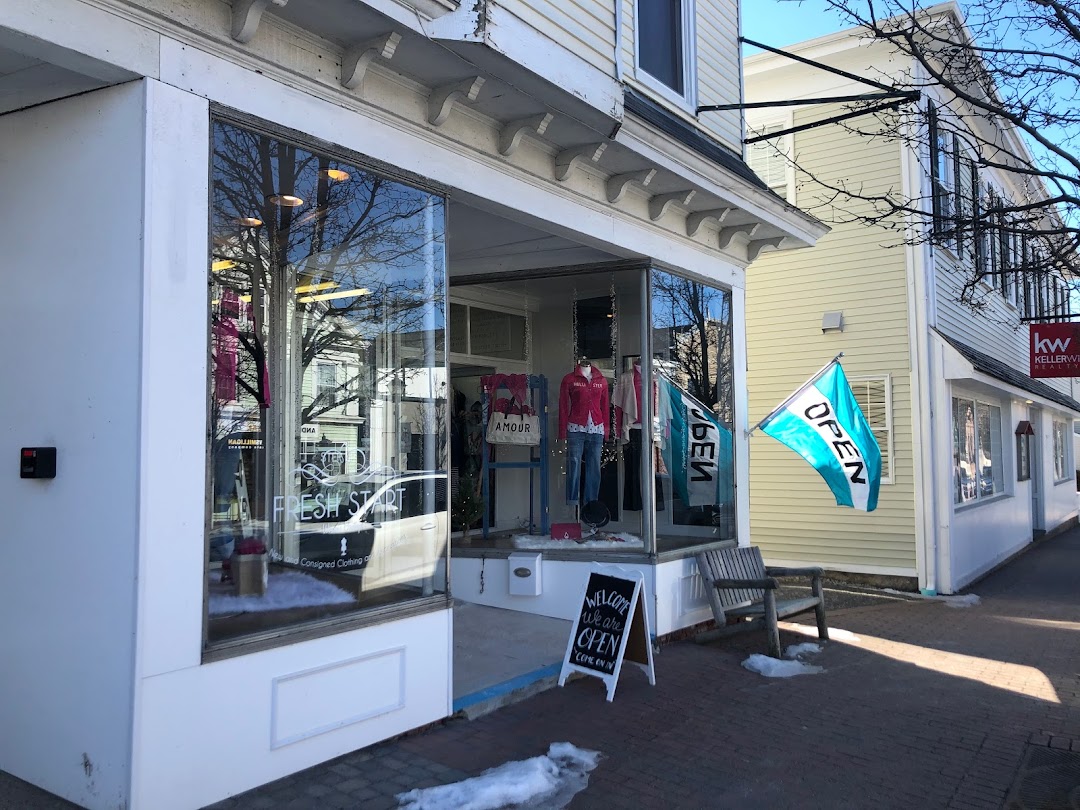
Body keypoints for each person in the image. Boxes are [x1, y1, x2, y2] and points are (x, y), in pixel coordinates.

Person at [558, 357, 609, 506]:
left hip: (597, 428)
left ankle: (591, 504)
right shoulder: (569, 379)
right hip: (576, 427)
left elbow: (605, 406)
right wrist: (562, 431)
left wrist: (606, 430)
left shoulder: (601, 380)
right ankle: (572, 502)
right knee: (574, 464)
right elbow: (563, 405)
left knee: (594, 467)